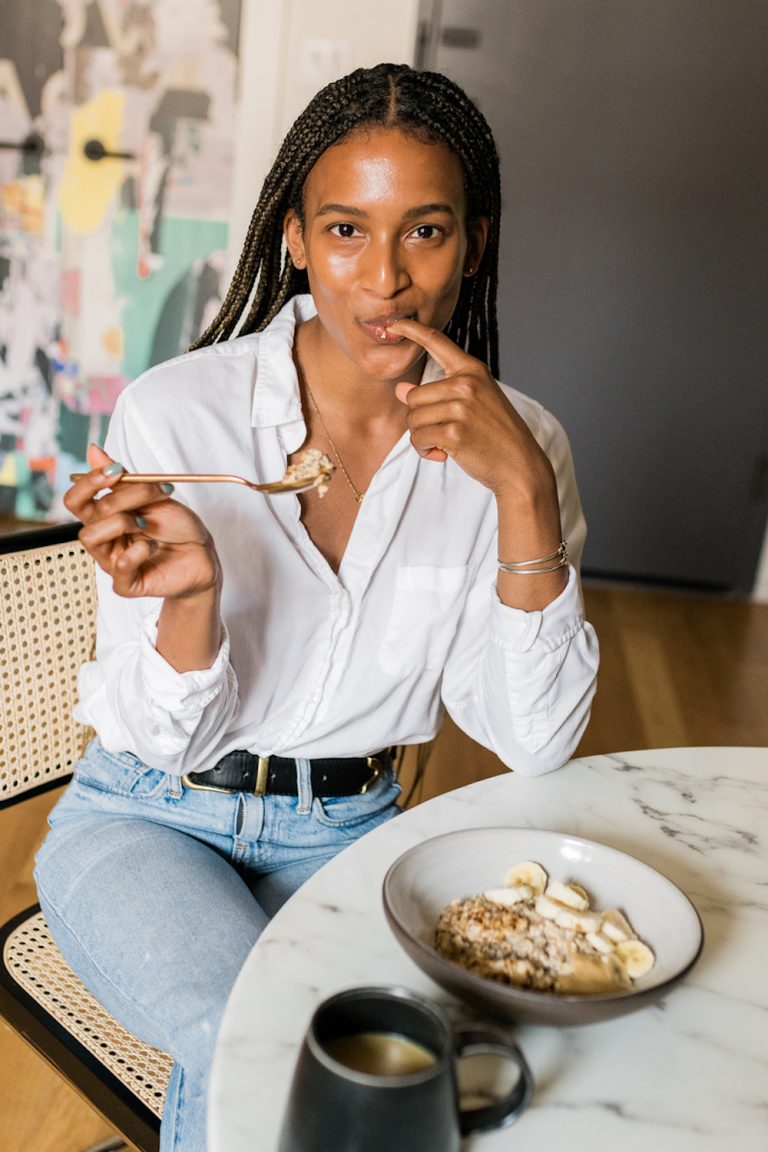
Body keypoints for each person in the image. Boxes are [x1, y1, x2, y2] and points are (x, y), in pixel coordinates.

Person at [34, 63, 599, 1151]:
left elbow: (532, 740)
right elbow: (152, 733)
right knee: (263, 1041)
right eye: (346, 229)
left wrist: (523, 497)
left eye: (424, 233)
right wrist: (189, 603)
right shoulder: (179, 414)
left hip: (349, 833)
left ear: (472, 244)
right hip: (147, 815)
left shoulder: (525, 447)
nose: (383, 278)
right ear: (296, 237)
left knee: (425, 1080)